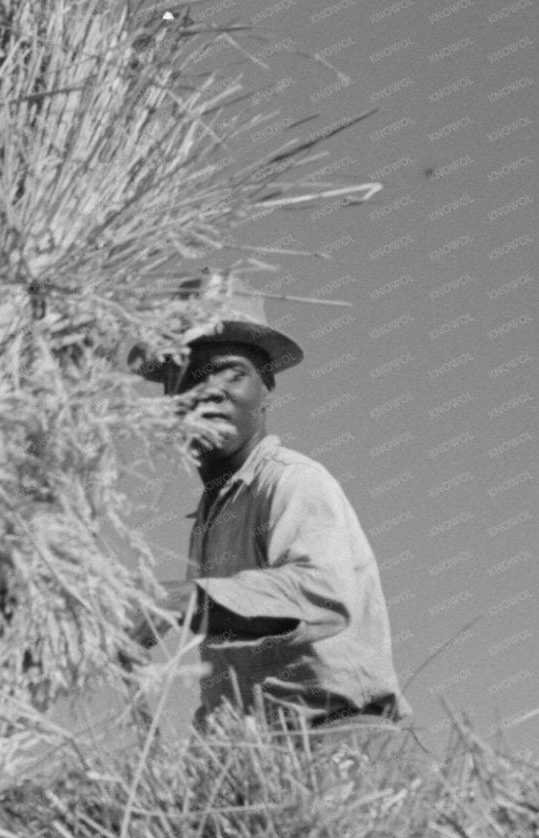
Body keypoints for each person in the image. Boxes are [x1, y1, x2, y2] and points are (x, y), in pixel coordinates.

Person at [131, 279, 408, 734]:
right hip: (259, 754)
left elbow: (322, 594)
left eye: (232, 374)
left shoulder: (291, 480)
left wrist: (179, 601)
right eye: (191, 378)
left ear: (267, 389)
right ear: (169, 402)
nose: (211, 392)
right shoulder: (211, 517)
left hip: (334, 738)